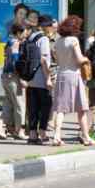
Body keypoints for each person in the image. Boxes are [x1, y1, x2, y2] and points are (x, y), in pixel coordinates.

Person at [51, 15, 95, 146]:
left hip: (61, 74)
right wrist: (87, 59)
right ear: (75, 27)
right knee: (81, 109)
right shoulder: (74, 40)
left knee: (61, 109)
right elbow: (79, 59)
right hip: (74, 76)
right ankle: (86, 137)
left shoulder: (58, 42)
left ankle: (56, 136)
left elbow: (57, 60)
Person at [0, 23, 29, 140]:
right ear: (18, 33)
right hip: (13, 77)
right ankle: (20, 131)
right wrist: (21, 78)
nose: (26, 34)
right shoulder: (15, 43)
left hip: (5, 77)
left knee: (8, 105)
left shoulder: (8, 42)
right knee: (20, 105)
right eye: (25, 32)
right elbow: (14, 61)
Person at [26, 15, 55, 144]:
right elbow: (44, 60)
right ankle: (42, 133)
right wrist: (48, 78)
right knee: (45, 106)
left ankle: (32, 135)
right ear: (45, 26)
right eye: (50, 26)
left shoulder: (31, 37)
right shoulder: (43, 39)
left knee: (33, 107)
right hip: (41, 78)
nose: (51, 28)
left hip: (31, 78)